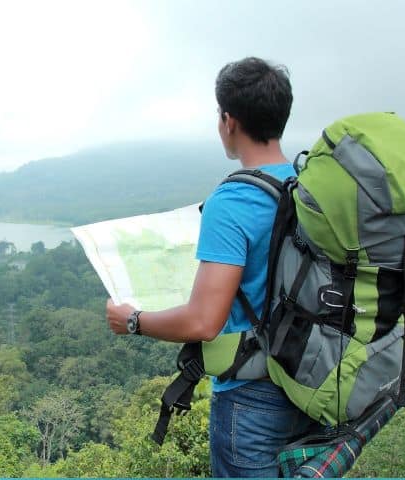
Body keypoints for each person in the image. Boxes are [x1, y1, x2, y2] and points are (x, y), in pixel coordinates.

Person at [106, 57, 313, 477]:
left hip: (252, 400)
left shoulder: (234, 200)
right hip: (311, 384)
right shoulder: (307, 185)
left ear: (228, 120)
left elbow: (203, 322)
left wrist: (132, 321)